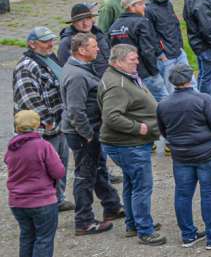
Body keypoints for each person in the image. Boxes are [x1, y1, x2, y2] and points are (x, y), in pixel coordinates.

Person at [157, 64, 211, 249]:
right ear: (191, 78)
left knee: (182, 195)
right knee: (209, 194)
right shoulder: (203, 99)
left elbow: (164, 131)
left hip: (181, 156)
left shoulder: (163, 104)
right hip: (209, 154)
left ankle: (188, 235)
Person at [98, 43, 166, 245]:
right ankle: (145, 230)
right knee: (142, 186)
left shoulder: (123, 76)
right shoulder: (117, 85)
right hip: (129, 144)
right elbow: (111, 116)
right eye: (132, 59)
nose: (137, 61)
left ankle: (133, 224)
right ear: (118, 62)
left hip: (130, 144)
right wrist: (138, 128)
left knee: (132, 183)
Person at [58, 31, 123, 236]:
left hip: (89, 130)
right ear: (82, 50)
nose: (98, 49)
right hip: (83, 133)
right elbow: (75, 110)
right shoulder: (77, 75)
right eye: (94, 46)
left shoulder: (80, 68)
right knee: (85, 176)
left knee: (98, 169)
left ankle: (112, 206)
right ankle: (84, 221)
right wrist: (87, 134)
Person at [7, 110, 68, 257]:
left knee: (27, 236)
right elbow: (58, 172)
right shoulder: (43, 146)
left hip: (17, 202)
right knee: (44, 238)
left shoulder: (12, 147)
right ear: (37, 125)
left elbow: (8, 162)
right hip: (42, 200)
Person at [12, 27, 69, 209]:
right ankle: (48, 202)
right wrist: (48, 120)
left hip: (59, 124)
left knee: (59, 165)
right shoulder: (26, 66)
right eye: (45, 41)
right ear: (32, 44)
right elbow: (28, 99)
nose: (50, 44)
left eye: (51, 40)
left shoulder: (49, 58)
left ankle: (58, 199)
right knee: (44, 168)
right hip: (42, 129)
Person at [109, 0, 164, 102]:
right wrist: (154, 72)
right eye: (141, 4)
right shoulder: (141, 22)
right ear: (131, 7)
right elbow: (147, 50)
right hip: (145, 73)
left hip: (125, 75)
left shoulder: (114, 27)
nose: (144, 7)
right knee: (163, 100)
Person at [146, 0, 189, 82]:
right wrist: (160, 54)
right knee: (171, 87)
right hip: (166, 58)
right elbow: (150, 35)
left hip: (179, 52)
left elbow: (176, 26)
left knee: (189, 81)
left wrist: (181, 47)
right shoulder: (148, 10)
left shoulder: (169, 4)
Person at [57, 3, 108, 77]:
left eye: (88, 19)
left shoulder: (99, 33)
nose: (85, 23)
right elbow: (65, 69)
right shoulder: (67, 42)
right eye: (80, 20)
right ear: (73, 23)